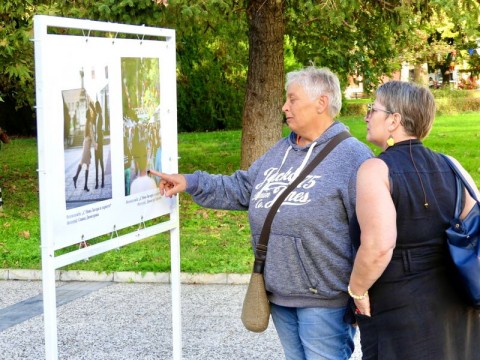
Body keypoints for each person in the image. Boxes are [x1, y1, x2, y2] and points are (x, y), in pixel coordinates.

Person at [150, 66, 373, 359]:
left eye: (292, 99)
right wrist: (190, 181)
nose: (284, 107)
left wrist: (362, 290)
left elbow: (372, 232)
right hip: (279, 292)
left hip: (325, 299)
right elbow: (242, 188)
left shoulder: (353, 157)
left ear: (321, 102)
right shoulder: (281, 150)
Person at [347, 80, 480, 359]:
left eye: (373, 109)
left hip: (401, 308)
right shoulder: (452, 165)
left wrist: (357, 290)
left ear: (394, 120)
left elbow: (379, 246)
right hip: (456, 302)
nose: (366, 116)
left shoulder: (376, 170)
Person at [73, 101, 96, 192]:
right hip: (87, 144)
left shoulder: (87, 122)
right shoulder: (89, 123)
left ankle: (79, 180)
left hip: (86, 144)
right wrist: (95, 144)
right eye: (90, 112)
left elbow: (86, 136)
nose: (91, 113)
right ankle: (77, 179)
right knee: (85, 163)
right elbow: (91, 135)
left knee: (85, 163)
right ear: (89, 114)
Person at [94, 100, 105, 189]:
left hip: (99, 143)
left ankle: (102, 182)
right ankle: (97, 183)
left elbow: (100, 132)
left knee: (100, 163)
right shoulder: (97, 116)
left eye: (95, 107)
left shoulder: (100, 116)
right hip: (97, 143)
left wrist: (98, 143)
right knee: (97, 164)